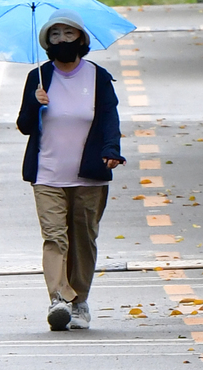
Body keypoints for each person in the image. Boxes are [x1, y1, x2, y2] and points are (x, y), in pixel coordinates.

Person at [16, 18, 123, 331]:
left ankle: (79, 301)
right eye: (55, 34)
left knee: (83, 240)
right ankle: (58, 300)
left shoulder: (98, 77)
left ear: (81, 38)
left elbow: (109, 118)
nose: (62, 39)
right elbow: (24, 125)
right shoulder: (39, 77)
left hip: (89, 174)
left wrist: (111, 150)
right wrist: (34, 106)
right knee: (54, 237)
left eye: (68, 33)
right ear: (47, 41)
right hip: (47, 173)